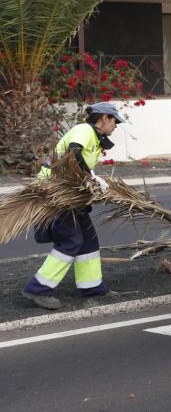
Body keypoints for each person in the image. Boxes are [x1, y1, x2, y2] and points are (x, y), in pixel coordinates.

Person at [21, 102, 126, 310]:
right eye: (114, 121)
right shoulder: (84, 130)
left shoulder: (94, 138)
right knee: (72, 240)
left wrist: (91, 179)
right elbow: (73, 152)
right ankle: (37, 289)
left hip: (70, 195)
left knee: (88, 241)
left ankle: (92, 287)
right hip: (54, 193)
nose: (116, 126)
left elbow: (79, 161)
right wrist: (89, 177)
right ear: (104, 118)